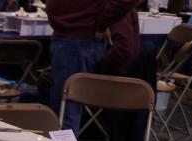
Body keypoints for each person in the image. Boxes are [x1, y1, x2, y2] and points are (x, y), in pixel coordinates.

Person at [45, 0, 142, 133]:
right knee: (61, 113)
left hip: (78, 41)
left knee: (65, 117)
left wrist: (102, 24)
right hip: (70, 38)